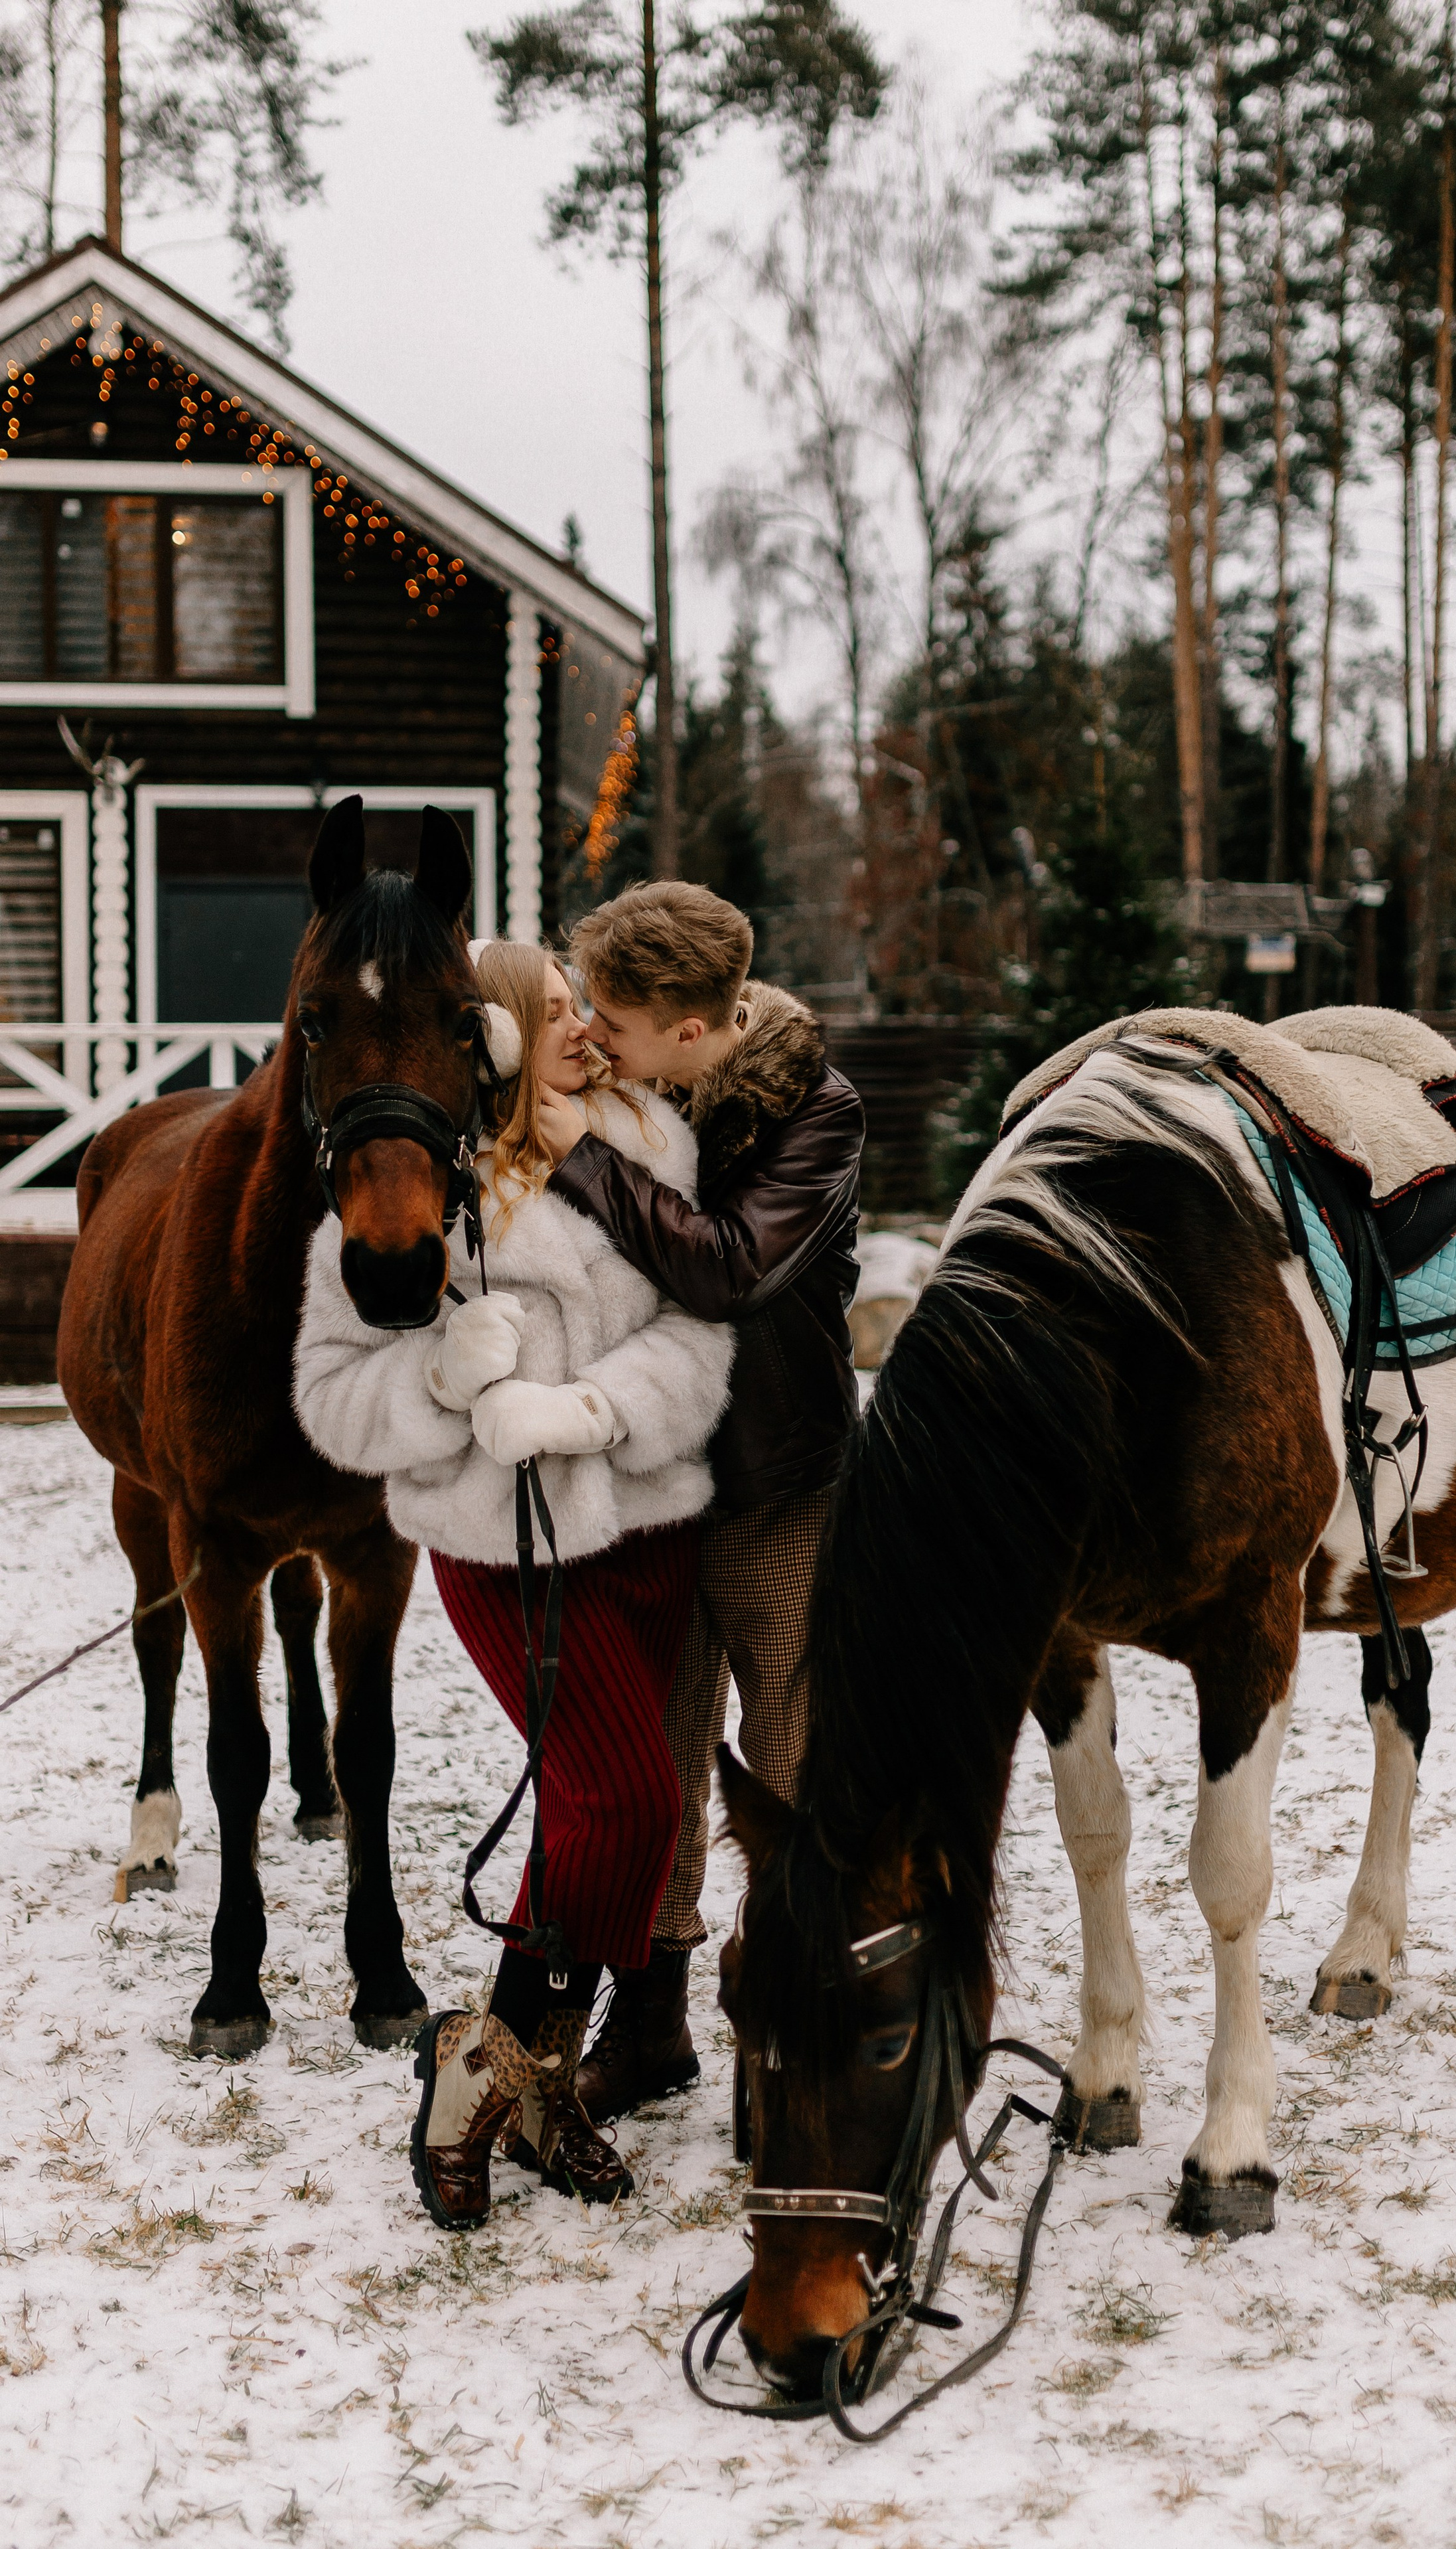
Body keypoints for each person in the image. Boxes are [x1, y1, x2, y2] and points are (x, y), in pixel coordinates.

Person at [293, 939, 733, 2230]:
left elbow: (697, 1326)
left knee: (595, 1817)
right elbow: (336, 1392)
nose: (591, 1027)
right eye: (561, 1010)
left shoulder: (650, 1138)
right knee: (629, 1800)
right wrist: (444, 1379)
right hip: (505, 1546)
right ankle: (483, 2067)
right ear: (492, 1040)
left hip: (648, 1522)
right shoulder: (422, 1180)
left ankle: (525, 2084)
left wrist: (590, 1404)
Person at [537, 880, 864, 2123]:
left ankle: (777, 2022)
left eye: (611, 1020)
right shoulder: (616, 1085)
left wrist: (579, 1152)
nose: (593, 1037)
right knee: (659, 1763)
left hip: (784, 1485)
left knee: (786, 1762)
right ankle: (652, 2021)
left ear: (691, 1029)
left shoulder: (815, 1113)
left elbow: (727, 1267)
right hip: (649, 1491)